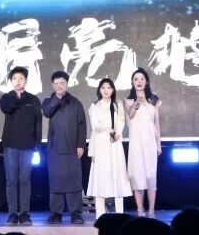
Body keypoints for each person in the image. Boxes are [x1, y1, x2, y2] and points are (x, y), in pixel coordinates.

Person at [0, 67, 42, 225]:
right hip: (10, 145)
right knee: (11, 180)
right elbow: (6, 108)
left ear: (26, 81)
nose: (18, 81)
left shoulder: (33, 99)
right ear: (11, 81)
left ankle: (24, 213)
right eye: (15, 78)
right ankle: (12, 213)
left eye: (21, 78)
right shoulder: (6, 97)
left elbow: (38, 123)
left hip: (28, 146)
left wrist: (37, 145)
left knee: (25, 180)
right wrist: (16, 97)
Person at [42, 70, 87, 224]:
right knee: (56, 180)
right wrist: (57, 98)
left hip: (73, 148)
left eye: (62, 83)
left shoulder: (76, 102)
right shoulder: (48, 101)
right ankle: (56, 213)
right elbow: (47, 112)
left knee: (74, 180)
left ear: (67, 84)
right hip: (55, 148)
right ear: (52, 85)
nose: (59, 86)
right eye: (56, 84)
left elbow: (82, 125)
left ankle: (76, 213)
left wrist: (81, 145)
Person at [87, 78, 132, 219]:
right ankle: (100, 215)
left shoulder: (117, 105)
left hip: (115, 144)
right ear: (99, 90)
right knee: (100, 176)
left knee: (117, 175)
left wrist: (117, 133)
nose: (106, 90)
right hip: (100, 144)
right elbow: (95, 126)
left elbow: (121, 121)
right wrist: (107, 128)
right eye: (103, 87)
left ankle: (120, 214)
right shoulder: (94, 106)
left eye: (109, 87)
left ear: (112, 90)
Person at [126, 68, 162, 217]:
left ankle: (151, 210)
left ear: (146, 82)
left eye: (142, 79)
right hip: (136, 143)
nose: (139, 82)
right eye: (136, 79)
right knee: (137, 175)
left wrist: (158, 144)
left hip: (150, 143)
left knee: (150, 176)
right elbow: (130, 119)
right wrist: (137, 103)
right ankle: (140, 210)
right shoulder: (128, 101)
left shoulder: (153, 101)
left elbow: (156, 124)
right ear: (132, 83)